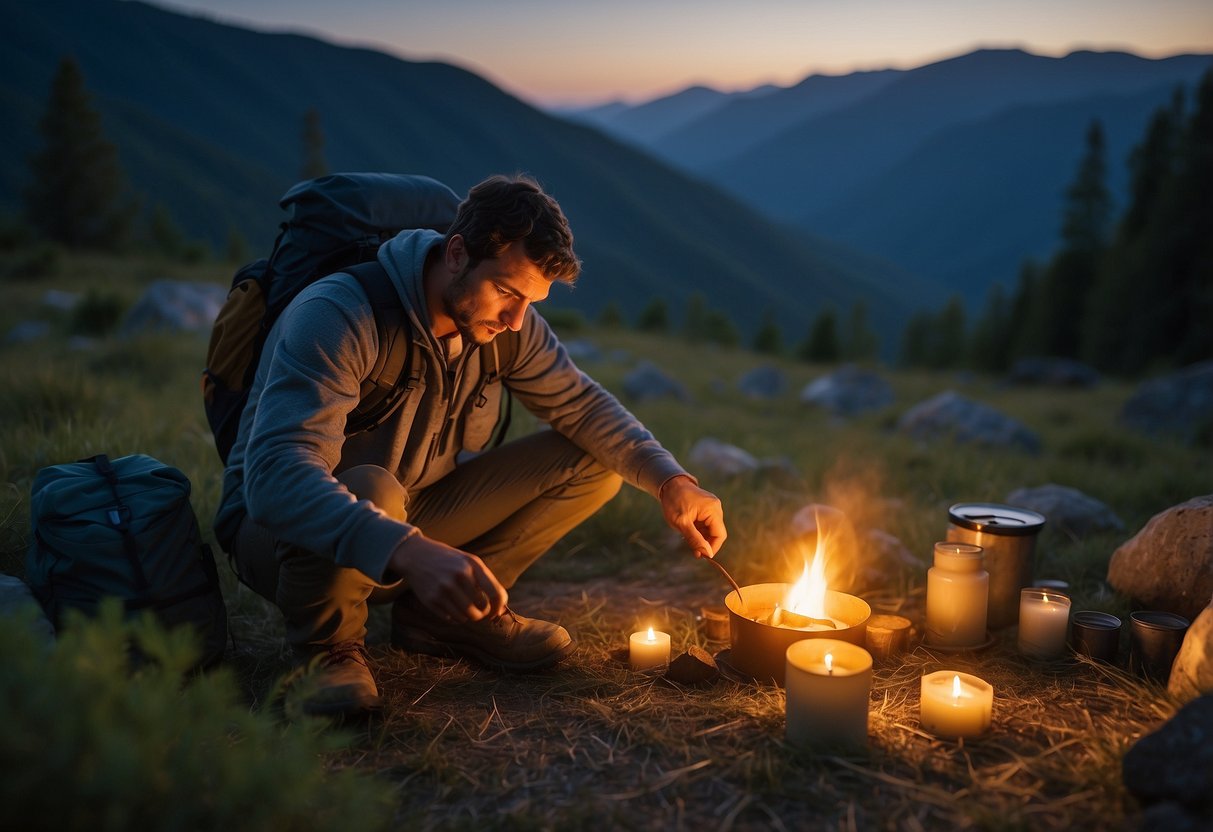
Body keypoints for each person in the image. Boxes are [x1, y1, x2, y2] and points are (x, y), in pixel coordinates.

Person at [213, 174, 726, 717]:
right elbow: (274, 476)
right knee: (372, 487)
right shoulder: (341, 313)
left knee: (594, 459)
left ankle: (449, 616)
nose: (515, 320)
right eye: (507, 291)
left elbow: (583, 406)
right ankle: (329, 651)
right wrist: (408, 549)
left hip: (412, 517)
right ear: (456, 253)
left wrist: (672, 480)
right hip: (282, 538)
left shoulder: (505, 326)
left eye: (530, 300)